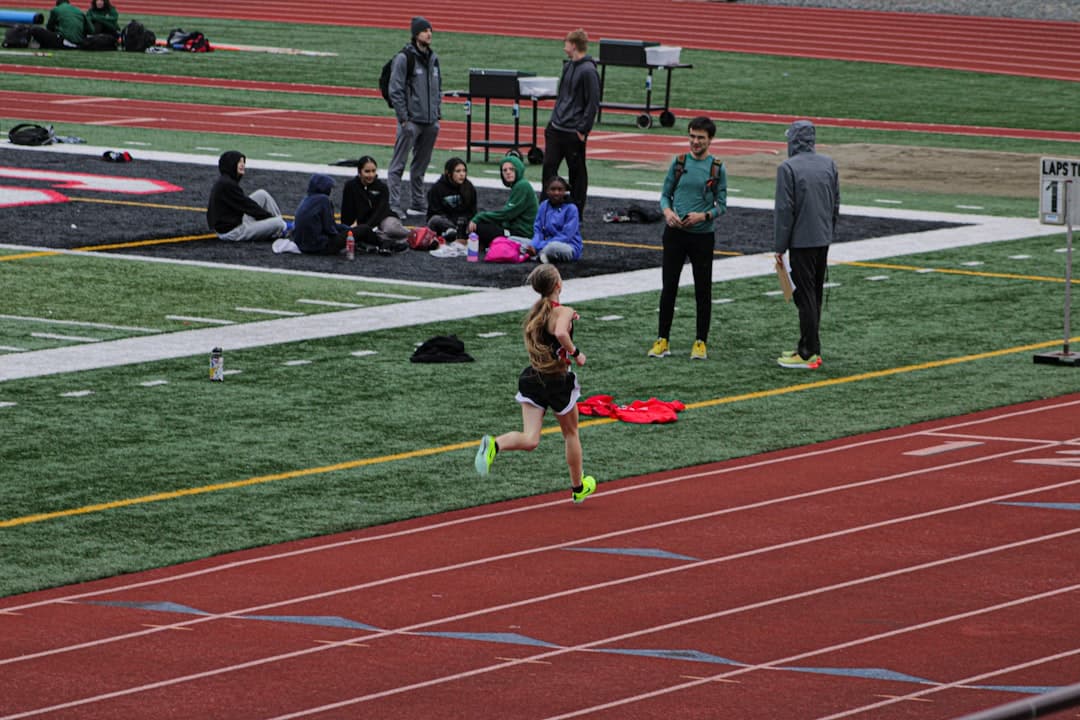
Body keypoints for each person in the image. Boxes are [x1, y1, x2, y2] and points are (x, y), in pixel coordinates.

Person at [474, 263, 596, 504]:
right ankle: (578, 487)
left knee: (530, 439)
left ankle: (494, 445)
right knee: (571, 433)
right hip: (558, 381)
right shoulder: (562, 311)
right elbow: (561, 333)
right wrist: (576, 352)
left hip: (533, 377)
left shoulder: (536, 311)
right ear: (558, 285)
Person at [648, 116, 727, 361]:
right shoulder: (679, 162)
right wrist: (668, 212)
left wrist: (703, 215)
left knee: (703, 290)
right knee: (668, 287)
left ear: (710, 140)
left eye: (700, 138)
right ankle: (662, 339)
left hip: (702, 237)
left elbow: (721, 206)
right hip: (675, 234)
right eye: (692, 136)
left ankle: (700, 341)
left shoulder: (717, 167)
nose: (695, 141)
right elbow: (665, 195)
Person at [773, 119, 839, 370]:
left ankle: (807, 351)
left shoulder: (787, 168)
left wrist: (779, 246)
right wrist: (827, 232)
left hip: (800, 241)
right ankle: (812, 345)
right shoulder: (828, 164)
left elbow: (784, 211)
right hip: (822, 238)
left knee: (804, 296)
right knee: (815, 294)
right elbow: (835, 204)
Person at [387, 16, 442, 218]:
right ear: (415, 34)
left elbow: (438, 88)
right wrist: (404, 119)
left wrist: (437, 115)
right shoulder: (404, 59)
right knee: (398, 165)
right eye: (424, 30)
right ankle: (393, 205)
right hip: (411, 122)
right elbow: (396, 90)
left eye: (430, 30)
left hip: (430, 122)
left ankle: (418, 203)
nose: (429, 33)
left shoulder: (434, 59)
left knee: (421, 165)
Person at [541, 28, 599, 215]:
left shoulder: (589, 71)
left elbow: (592, 103)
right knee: (548, 168)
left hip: (573, 132)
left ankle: (576, 211)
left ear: (573, 45)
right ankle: (545, 207)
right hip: (556, 128)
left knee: (577, 173)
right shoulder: (568, 66)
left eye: (566, 42)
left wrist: (583, 129)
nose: (564, 46)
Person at [206, 150, 289, 242]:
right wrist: (269, 218)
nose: (242, 165)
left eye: (243, 162)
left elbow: (247, 205)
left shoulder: (225, 182)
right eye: (239, 162)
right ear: (231, 164)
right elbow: (249, 207)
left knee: (262, 194)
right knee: (278, 223)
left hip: (236, 222)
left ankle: (281, 228)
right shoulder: (227, 185)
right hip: (233, 232)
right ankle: (282, 227)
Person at [465, 153, 539, 252]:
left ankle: (482, 245)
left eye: (511, 169)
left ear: (518, 169)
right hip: (516, 230)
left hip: (521, 234)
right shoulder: (519, 185)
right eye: (505, 170)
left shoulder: (522, 186)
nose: (508, 172)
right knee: (482, 225)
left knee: (478, 227)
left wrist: (480, 216)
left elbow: (507, 214)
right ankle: (482, 245)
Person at [340, 155, 409, 253]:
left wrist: (366, 228)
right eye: (367, 171)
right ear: (359, 172)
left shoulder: (382, 187)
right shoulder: (350, 186)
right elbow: (346, 211)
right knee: (368, 234)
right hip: (364, 224)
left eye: (373, 171)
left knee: (390, 229)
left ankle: (412, 235)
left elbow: (380, 211)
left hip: (384, 218)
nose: (371, 175)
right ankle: (391, 242)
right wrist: (346, 229)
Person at [287, 173, 351, 255]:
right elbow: (330, 228)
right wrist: (347, 234)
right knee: (362, 230)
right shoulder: (323, 200)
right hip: (317, 245)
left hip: (301, 244)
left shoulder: (307, 199)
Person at [526, 175, 582, 264]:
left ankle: (538, 254)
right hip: (544, 243)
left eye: (560, 190)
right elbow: (538, 231)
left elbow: (565, 236)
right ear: (547, 191)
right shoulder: (543, 206)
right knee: (516, 241)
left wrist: (539, 246)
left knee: (552, 247)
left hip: (567, 246)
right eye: (553, 189)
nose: (556, 193)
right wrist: (532, 245)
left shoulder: (571, 209)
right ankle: (540, 255)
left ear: (565, 191)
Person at [425, 157, 477, 243]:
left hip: (464, 222)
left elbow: (472, 210)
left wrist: (469, 222)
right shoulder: (437, 188)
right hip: (445, 221)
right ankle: (455, 232)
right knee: (435, 220)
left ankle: (456, 233)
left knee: (482, 220)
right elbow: (435, 212)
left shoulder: (469, 187)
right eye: (458, 171)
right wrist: (454, 223)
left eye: (464, 171)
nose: (462, 174)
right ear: (448, 173)